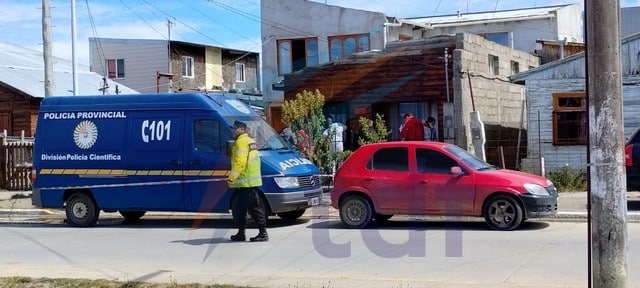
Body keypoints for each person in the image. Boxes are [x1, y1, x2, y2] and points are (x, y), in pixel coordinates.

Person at [228, 121, 268, 242]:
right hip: (250, 181)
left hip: (246, 181)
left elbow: (240, 162)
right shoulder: (250, 141)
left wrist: (231, 178)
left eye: (235, 129)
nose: (233, 131)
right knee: (247, 208)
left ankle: (261, 233)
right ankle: (243, 233)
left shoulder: (240, 142)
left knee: (245, 208)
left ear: (242, 129)